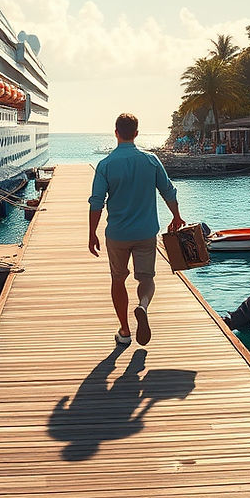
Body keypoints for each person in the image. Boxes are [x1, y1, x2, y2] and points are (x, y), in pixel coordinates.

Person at [89, 113, 184, 347]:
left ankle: (124, 330)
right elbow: (168, 191)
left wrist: (91, 233)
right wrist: (177, 216)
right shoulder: (151, 160)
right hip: (145, 232)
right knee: (147, 278)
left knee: (118, 279)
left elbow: (96, 202)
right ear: (137, 133)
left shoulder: (106, 164)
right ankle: (142, 305)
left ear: (116, 132)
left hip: (118, 234)